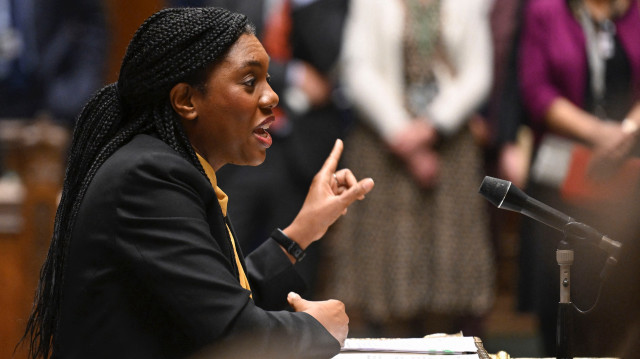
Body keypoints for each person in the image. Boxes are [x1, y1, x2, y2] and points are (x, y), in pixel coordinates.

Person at [20, 7, 374, 359]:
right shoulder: (148, 178)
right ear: (186, 100)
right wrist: (318, 329)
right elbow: (232, 331)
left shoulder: (166, 166)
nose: (272, 97)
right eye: (251, 82)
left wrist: (302, 231)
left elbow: (217, 300)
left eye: (268, 80)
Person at [320, 0, 495, 338]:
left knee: (448, 278)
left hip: (450, 147)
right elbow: (357, 70)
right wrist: (401, 133)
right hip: (384, 147)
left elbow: (479, 73)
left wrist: (432, 126)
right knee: (387, 275)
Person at [518, 0, 640, 355]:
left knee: (623, 303)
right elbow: (536, 89)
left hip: (626, 187)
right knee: (562, 308)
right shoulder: (546, 10)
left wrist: (627, 131)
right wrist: (598, 133)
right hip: (562, 182)